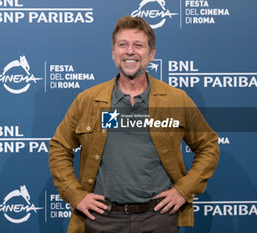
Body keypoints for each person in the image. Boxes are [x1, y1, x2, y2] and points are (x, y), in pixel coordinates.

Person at [49, 15, 220, 233]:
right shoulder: (88, 101)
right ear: (113, 52)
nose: (130, 51)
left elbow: (208, 146)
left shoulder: (176, 100)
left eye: (138, 45)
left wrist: (183, 190)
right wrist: (76, 195)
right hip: (101, 220)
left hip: (158, 219)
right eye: (123, 45)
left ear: (152, 53)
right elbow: (59, 147)